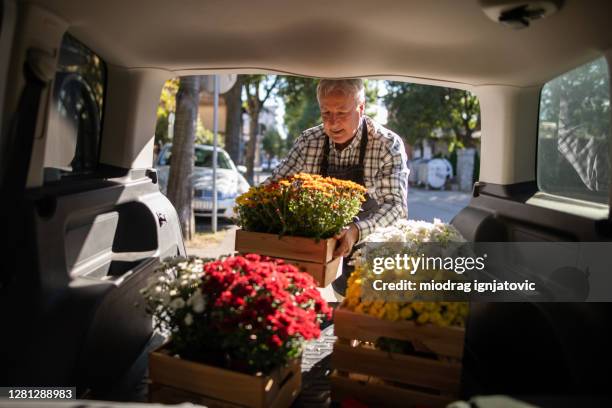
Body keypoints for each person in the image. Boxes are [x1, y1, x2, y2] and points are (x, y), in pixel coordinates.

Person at [269, 78, 409, 295]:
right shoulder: (309, 142)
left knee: (355, 304)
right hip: (317, 244)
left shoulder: (386, 145)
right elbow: (275, 185)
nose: (333, 123)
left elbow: (396, 207)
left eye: (342, 113)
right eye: (326, 113)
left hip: (369, 244)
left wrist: (355, 231)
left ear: (361, 108)